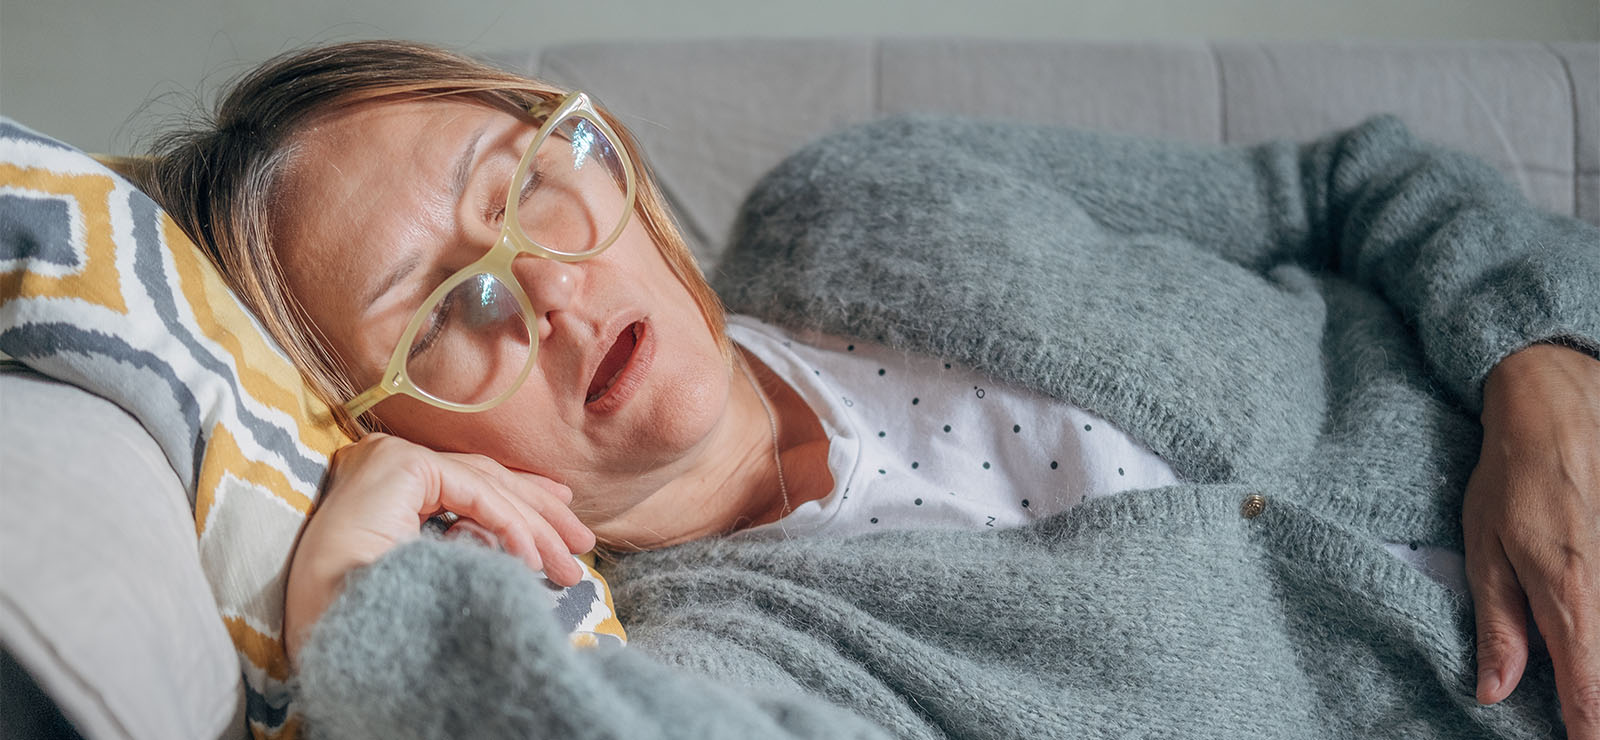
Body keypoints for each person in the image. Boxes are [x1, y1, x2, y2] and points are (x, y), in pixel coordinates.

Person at [145, 41, 1599, 738]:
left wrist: (1536, 371)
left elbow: (1352, 183)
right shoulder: (718, 662)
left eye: (528, 178)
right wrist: (353, 589)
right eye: (452, 310)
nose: (553, 285)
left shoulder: (864, 190)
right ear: (388, 433)